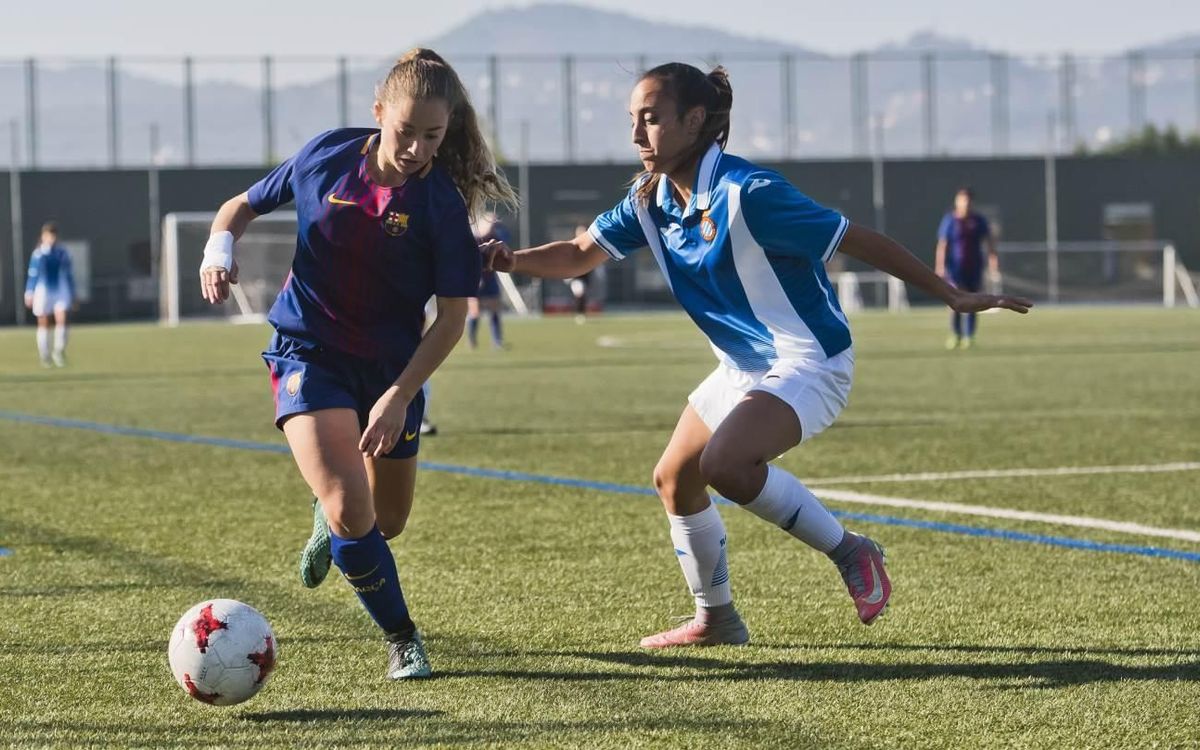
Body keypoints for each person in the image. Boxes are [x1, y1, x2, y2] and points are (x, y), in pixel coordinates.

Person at [484, 62, 1031, 648]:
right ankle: (717, 619)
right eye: (633, 120)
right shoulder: (650, 200)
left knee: (725, 464)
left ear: (695, 121)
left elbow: (856, 238)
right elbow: (576, 253)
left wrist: (950, 292)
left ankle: (853, 553)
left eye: (651, 119)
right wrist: (510, 261)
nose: (637, 135)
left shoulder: (752, 195)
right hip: (742, 367)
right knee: (674, 479)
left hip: (810, 360)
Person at [199, 48, 517, 678]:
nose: (418, 149)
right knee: (353, 508)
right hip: (307, 351)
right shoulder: (326, 156)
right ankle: (403, 637)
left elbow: (451, 321)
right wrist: (218, 247)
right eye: (406, 132)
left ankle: (332, 515)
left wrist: (399, 395)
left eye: (434, 136)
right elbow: (241, 205)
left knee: (384, 522)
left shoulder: (443, 210)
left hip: (392, 370)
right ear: (378, 114)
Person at [934, 187, 1000, 349]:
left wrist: (993, 260)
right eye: (962, 199)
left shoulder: (978, 220)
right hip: (955, 268)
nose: (965, 203)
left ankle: (969, 336)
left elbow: (989, 241)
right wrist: (940, 266)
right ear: (957, 201)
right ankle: (955, 334)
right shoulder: (950, 220)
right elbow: (943, 244)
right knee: (955, 300)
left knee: (973, 301)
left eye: (968, 200)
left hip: (974, 267)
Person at [24, 222, 77, 368]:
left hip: (60, 289)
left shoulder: (63, 252)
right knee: (44, 322)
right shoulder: (38, 254)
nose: (51, 239)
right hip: (43, 290)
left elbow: (69, 274)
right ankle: (45, 354)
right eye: (48, 236)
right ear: (43, 237)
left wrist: (73, 293)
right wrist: (29, 292)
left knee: (62, 318)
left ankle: (59, 351)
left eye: (53, 236)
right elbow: (33, 275)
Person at [468, 212, 508, 349]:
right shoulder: (474, 237)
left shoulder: (497, 236)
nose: (494, 223)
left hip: (490, 279)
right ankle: (472, 340)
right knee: (475, 311)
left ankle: (497, 341)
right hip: (475, 278)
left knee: (495, 309)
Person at [568, 224, 593, 323]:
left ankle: (581, 313)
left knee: (583, 295)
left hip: (585, 276)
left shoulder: (588, 244)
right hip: (576, 277)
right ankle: (579, 314)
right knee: (580, 293)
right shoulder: (573, 244)